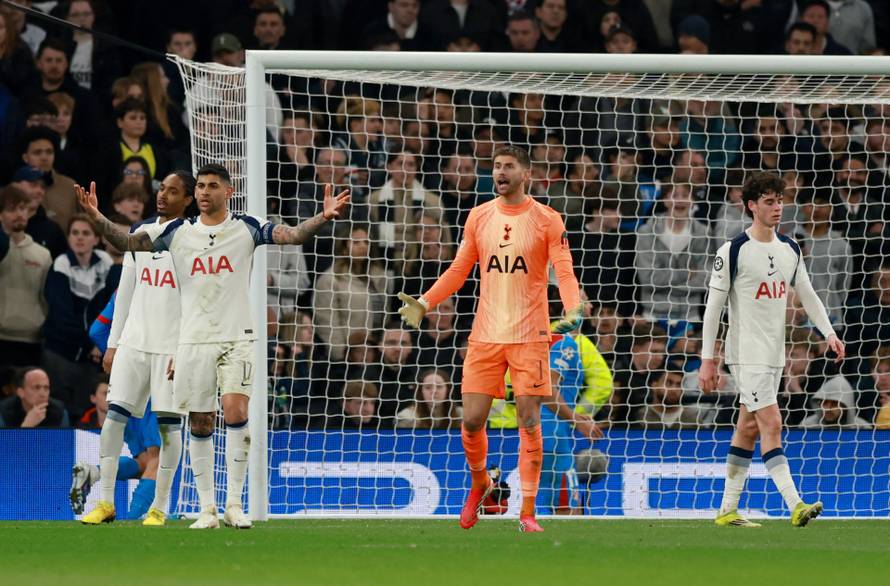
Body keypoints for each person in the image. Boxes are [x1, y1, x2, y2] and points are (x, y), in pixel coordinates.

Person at [74, 163, 350, 529]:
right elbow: (128, 243)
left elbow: (293, 235)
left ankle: (233, 503)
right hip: (191, 342)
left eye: (212, 186)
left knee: (234, 412)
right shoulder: (176, 233)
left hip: (237, 337)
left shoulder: (246, 227)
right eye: (201, 186)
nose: (205, 192)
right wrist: (95, 215)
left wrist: (323, 217)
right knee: (199, 421)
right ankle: (207, 510)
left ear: (228, 192)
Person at [397, 145, 582, 533]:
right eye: (496, 167)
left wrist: (572, 308)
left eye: (508, 167)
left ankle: (528, 513)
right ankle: (480, 481)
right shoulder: (479, 216)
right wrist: (426, 303)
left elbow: (564, 271)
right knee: (471, 420)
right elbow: (459, 269)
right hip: (485, 335)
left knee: (529, 419)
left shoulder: (547, 219)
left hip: (530, 335)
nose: (500, 173)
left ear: (525, 174)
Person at [700, 171, 846, 528]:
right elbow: (713, 308)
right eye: (769, 201)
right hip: (745, 353)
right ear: (751, 206)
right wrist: (708, 360)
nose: (777, 207)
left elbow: (808, 293)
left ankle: (727, 510)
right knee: (772, 423)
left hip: (774, 354)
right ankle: (795, 504)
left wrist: (828, 332)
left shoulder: (790, 248)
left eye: (780, 200)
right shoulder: (733, 250)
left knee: (747, 428)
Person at [80, 172, 195, 527]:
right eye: (162, 190)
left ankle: (159, 507)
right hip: (133, 345)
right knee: (113, 421)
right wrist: (114, 344)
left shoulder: (191, 240)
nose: (163, 196)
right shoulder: (139, 233)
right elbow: (126, 292)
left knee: (169, 430)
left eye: (173, 192)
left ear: (187, 200)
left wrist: (184, 349)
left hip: (169, 350)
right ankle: (105, 504)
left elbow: (193, 301)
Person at [0, 185, 51, 368]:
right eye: (11, 209)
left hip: (31, 339)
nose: (19, 214)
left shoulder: (43, 255)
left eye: (22, 208)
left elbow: (45, 298)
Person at [0, 366, 68, 428]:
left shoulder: (59, 411)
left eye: (46, 388)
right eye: (36, 387)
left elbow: (63, 441)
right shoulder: (3, 412)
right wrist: (27, 425)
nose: (43, 394)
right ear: (21, 392)